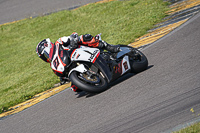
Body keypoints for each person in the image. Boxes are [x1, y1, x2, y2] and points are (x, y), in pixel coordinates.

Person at [36, 32, 120, 91]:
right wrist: (63, 78)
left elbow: (72, 36)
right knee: (75, 89)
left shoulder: (59, 42)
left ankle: (109, 47)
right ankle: (94, 76)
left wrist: (72, 40)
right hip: (74, 64)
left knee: (85, 37)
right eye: (44, 57)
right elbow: (62, 74)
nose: (46, 57)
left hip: (81, 50)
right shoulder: (54, 64)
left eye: (45, 54)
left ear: (48, 47)